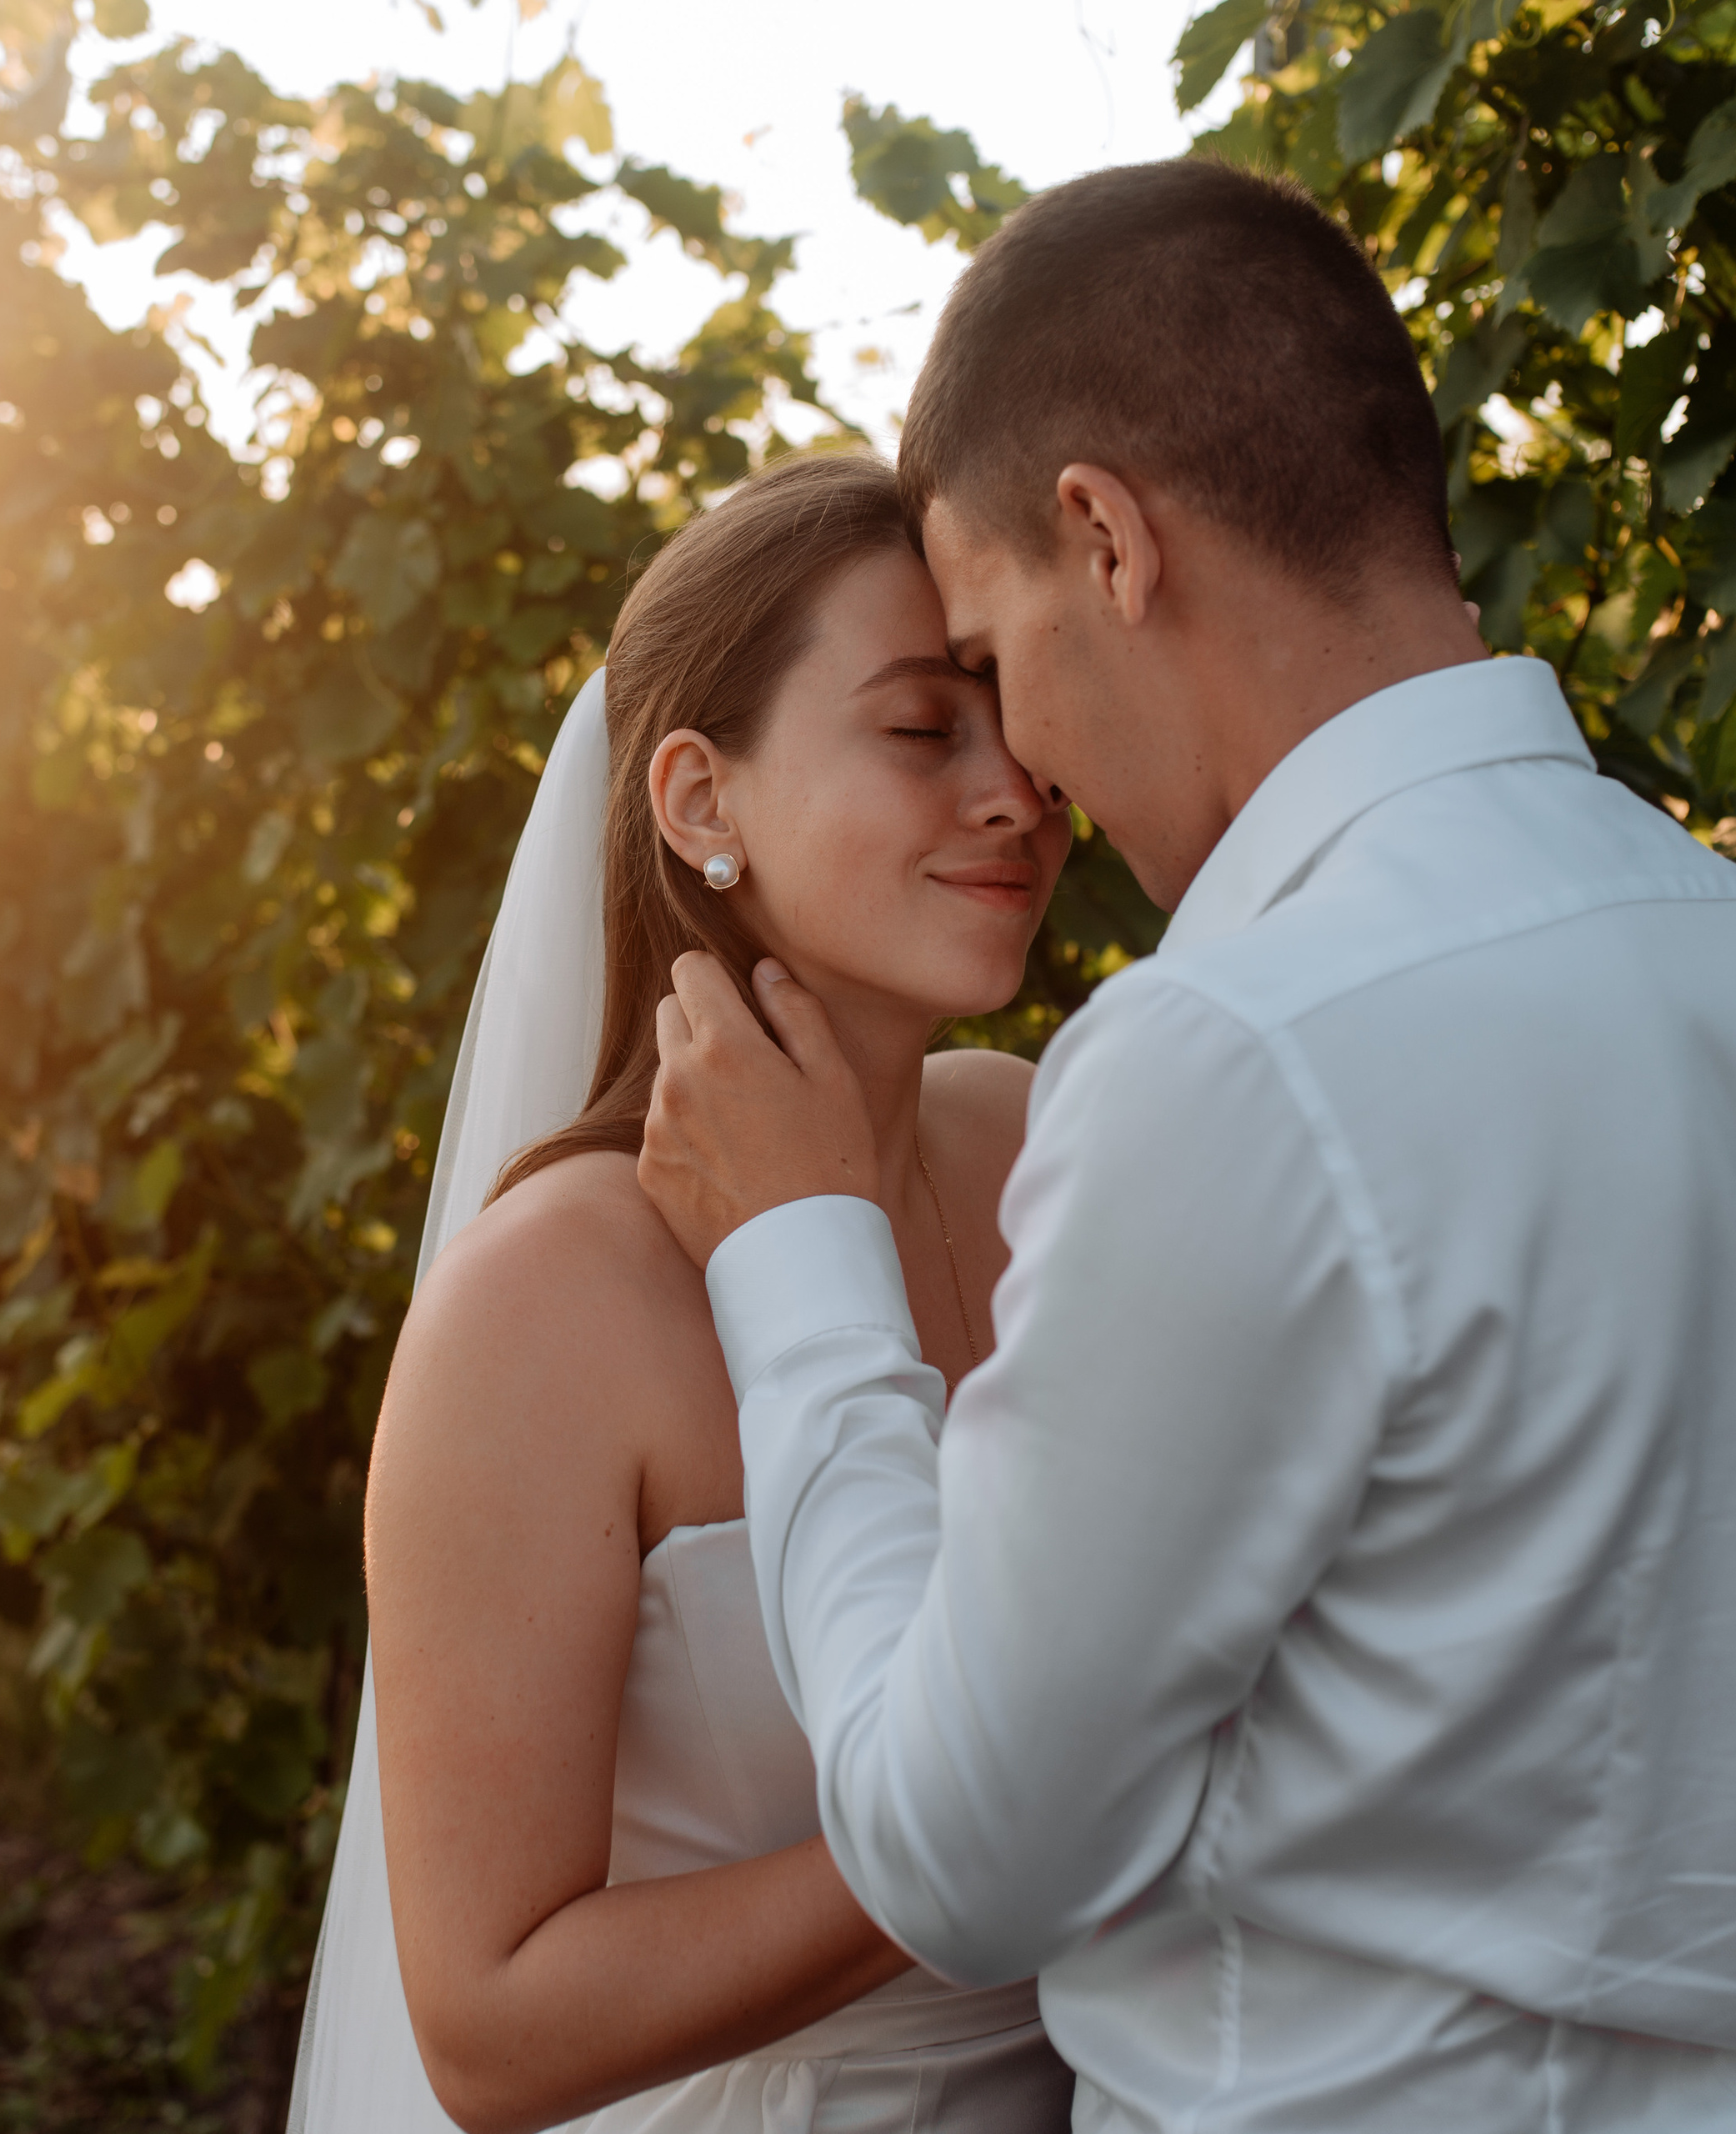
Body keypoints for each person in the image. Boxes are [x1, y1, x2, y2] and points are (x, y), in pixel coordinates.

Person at [638, 158, 1736, 2131]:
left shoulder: (1229, 1052)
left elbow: (955, 1848)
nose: (1022, 767)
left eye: (992, 656)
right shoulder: (1699, 938)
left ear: (1106, 543)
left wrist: (803, 1258)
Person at [288, 452, 1078, 2134]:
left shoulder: (1039, 1140)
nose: (1017, 786)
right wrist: (1002, 1819)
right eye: (923, 727)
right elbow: (491, 2024)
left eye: (1013, 712)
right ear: (699, 800)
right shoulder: (544, 1300)